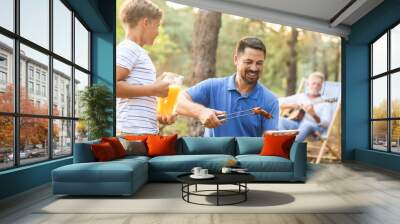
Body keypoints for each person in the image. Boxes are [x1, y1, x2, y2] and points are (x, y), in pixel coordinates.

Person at [176, 37, 279, 137]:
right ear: (236, 60)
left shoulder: (270, 101)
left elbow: (270, 143)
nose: (254, 68)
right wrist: (201, 112)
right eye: (248, 62)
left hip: (247, 154)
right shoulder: (212, 86)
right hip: (213, 154)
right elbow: (177, 101)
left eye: (259, 63)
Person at [116, 0, 175, 135]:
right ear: (146, 23)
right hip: (131, 133)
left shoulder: (138, 52)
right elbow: (113, 87)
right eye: (157, 26)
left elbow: (139, 96)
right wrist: (154, 89)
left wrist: (160, 115)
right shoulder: (128, 48)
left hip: (142, 133)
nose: (158, 32)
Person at [278, 72, 333, 141]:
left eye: (319, 84)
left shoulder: (325, 102)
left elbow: (326, 124)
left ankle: (291, 148)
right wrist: (291, 105)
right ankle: (282, 144)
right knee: (280, 120)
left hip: (315, 128)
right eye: (313, 83)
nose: (315, 86)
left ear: (321, 86)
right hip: (297, 124)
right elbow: (279, 101)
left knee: (307, 124)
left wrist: (314, 115)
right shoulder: (301, 96)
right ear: (308, 84)